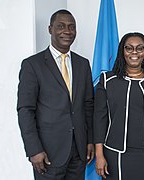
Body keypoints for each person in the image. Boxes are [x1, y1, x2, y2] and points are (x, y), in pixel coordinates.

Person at [17, 9, 94, 180]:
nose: (67, 31)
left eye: (71, 27)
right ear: (50, 29)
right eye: (61, 26)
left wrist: (90, 140)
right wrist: (34, 149)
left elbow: (88, 105)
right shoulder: (32, 65)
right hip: (47, 153)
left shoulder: (83, 64)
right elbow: (25, 110)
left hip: (79, 151)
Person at [93, 32, 144, 180]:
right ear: (122, 52)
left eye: (140, 48)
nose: (134, 52)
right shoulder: (108, 80)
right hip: (115, 154)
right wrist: (99, 155)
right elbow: (99, 120)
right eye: (129, 48)